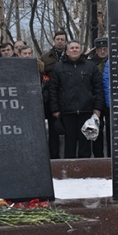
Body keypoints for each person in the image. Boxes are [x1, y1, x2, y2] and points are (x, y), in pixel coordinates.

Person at [49, 41, 104, 159]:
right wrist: (55, 109)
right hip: (67, 111)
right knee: (69, 142)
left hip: (87, 110)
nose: (74, 50)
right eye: (72, 48)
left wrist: (97, 108)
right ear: (67, 52)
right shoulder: (58, 67)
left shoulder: (90, 66)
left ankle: (85, 171)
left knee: (85, 143)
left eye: (77, 48)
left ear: (81, 51)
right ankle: (70, 171)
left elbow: (98, 88)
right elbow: (53, 90)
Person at [41, 30, 68, 158]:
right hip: (52, 98)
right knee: (53, 132)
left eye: (62, 39)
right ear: (54, 40)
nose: (60, 41)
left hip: (69, 98)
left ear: (66, 41)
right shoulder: (45, 58)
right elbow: (43, 77)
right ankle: (54, 159)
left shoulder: (71, 55)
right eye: (58, 39)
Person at [89, 37, 109, 157]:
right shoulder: (90, 63)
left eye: (105, 49)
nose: (102, 51)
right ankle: (98, 156)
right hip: (96, 100)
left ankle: (113, 156)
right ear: (95, 50)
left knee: (112, 130)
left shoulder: (115, 61)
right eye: (99, 49)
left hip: (111, 99)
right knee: (97, 130)